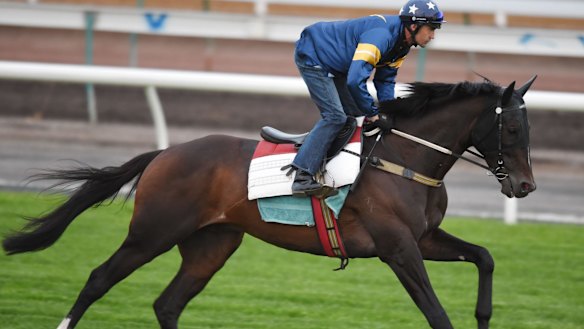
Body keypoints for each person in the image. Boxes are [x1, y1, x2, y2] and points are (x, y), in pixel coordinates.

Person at [289, 0, 445, 197]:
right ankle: (303, 175)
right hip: (313, 55)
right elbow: (355, 81)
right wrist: (372, 113)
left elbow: (385, 81)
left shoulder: (402, 45)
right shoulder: (381, 37)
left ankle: (321, 156)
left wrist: (387, 112)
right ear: (413, 26)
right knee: (336, 117)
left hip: (338, 64)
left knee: (354, 116)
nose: (432, 36)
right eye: (431, 29)